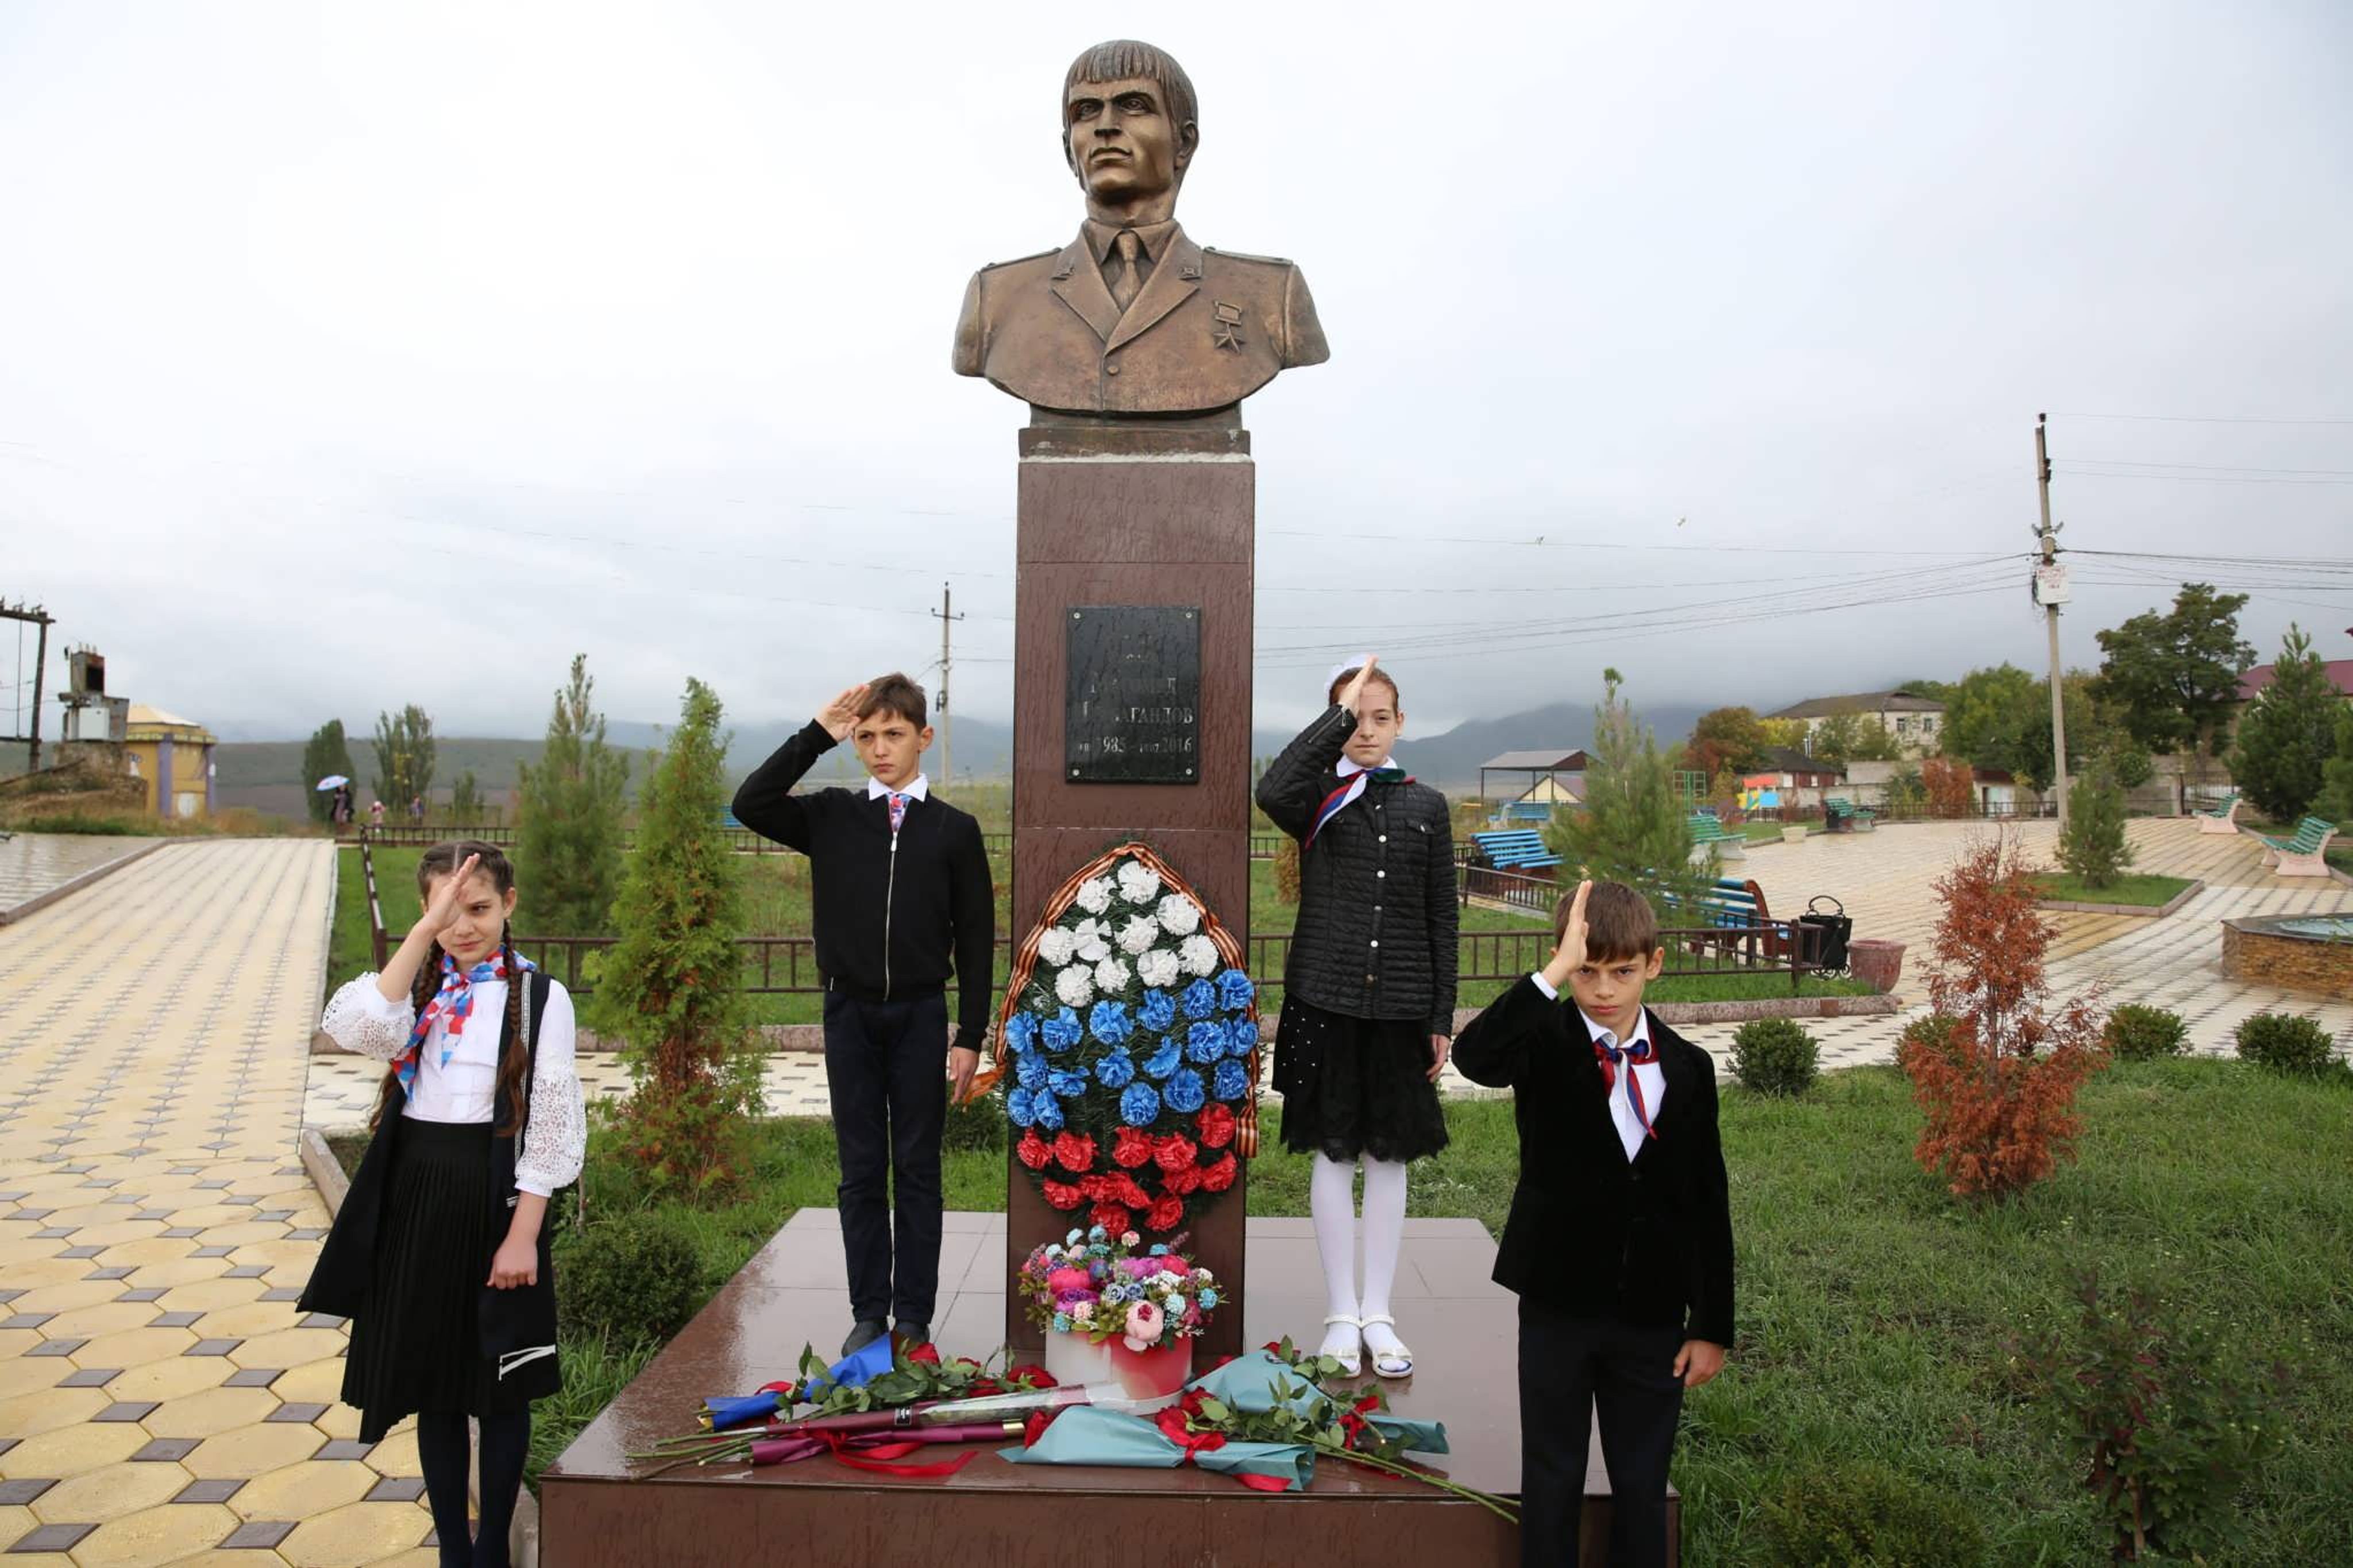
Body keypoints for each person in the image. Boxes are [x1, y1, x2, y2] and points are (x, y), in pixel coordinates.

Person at [300, 842, 585, 1568]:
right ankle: (453, 1551)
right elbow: (359, 1030)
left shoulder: (540, 997)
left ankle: (493, 1549)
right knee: (435, 1386)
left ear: (509, 906)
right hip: (418, 1195)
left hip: (496, 1198)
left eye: (480, 909)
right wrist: (421, 935)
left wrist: (524, 1235)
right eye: (447, 912)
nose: (465, 927)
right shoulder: (415, 992)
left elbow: (549, 1123)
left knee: (501, 1383)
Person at [1452, 880, 1734, 1568]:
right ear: (1566, 963)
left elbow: (1707, 1199)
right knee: (1552, 1471)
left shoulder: (1689, 1068)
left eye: (1622, 972)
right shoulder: (1540, 1043)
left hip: (1654, 1312)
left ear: (1654, 965)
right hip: (1557, 1301)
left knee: (1641, 1479)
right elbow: (1472, 1057)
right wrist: (1550, 976)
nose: (1604, 990)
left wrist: (1711, 1325)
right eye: (1587, 971)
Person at [731, 674, 993, 1357]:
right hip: (848, 1012)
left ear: (923, 738)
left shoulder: (954, 831)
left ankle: (913, 1316)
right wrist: (818, 732)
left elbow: (974, 936)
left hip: (919, 1014)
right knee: (859, 1168)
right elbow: (750, 801)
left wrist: (970, 1035)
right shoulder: (831, 817)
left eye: (894, 735)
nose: (880, 750)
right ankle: (869, 1313)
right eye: (867, 736)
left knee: (916, 1168)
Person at [1255, 655, 1456, 1378]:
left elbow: (1442, 916)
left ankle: (1380, 1311)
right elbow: (1269, 787)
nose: (1366, 730)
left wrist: (1440, 1014)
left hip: (1401, 1009)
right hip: (1326, 1001)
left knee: (1389, 1156)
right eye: (1352, 717)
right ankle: (1341, 1312)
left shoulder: (1427, 806)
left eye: (1379, 717)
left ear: (1401, 723)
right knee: (1332, 1152)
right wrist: (1337, 714)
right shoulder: (1315, 800)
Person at [952, 37, 1328, 419]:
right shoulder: (998, 299)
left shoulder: (1271, 295)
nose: (1106, 127)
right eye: (1086, 111)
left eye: (1133, 105)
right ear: (1069, 150)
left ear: (1184, 141)